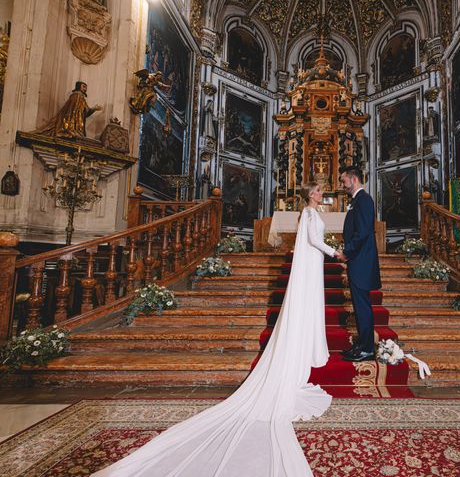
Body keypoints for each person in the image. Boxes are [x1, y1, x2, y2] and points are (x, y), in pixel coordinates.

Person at [93, 181, 339, 476]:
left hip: (312, 263)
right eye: (317, 190)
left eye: (320, 191)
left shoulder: (308, 213)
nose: (320, 193)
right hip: (314, 260)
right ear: (310, 194)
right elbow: (313, 241)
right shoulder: (310, 214)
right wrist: (335, 253)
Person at [336, 166, 381, 362]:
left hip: (361, 261)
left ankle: (367, 349)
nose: (342, 185)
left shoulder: (363, 200)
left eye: (344, 181)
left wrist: (347, 251)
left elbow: (362, 232)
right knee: (359, 305)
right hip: (359, 260)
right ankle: (362, 345)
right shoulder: (358, 201)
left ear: (353, 179)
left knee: (362, 307)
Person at [37, 81, 103, 138]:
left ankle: (74, 131)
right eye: (84, 87)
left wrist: (94, 109)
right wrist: (94, 109)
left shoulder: (79, 97)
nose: (85, 89)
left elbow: (84, 112)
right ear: (79, 87)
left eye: (86, 87)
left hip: (77, 123)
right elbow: (78, 111)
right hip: (72, 124)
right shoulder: (77, 96)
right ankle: (73, 130)